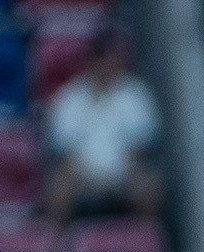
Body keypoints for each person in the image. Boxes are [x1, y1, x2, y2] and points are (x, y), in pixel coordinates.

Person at [42, 32, 162, 225]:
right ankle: (57, 243)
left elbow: (140, 146)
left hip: (124, 172)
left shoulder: (134, 94)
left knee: (148, 186)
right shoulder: (70, 97)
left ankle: (144, 240)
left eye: (111, 60)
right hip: (80, 173)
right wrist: (83, 174)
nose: (106, 66)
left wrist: (121, 172)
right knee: (59, 187)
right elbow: (64, 150)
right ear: (91, 63)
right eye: (102, 61)